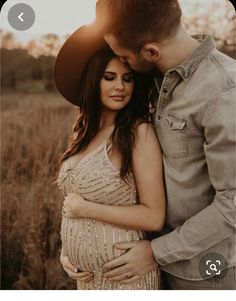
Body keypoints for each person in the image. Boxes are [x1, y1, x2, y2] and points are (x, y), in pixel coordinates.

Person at [62, 0, 236, 290]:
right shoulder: (152, 81)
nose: (124, 73)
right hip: (143, 265)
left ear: (151, 52)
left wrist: (156, 253)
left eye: (125, 59)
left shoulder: (224, 92)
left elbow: (232, 205)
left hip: (204, 275)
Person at [54, 25, 166, 290]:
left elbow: (154, 216)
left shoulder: (138, 132)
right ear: (94, 81)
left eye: (127, 79)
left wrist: (86, 209)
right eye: (109, 77)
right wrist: (66, 251)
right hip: (87, 281)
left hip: (126, 277)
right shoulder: (83, 130)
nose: (120, 86)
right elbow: (72, 204)